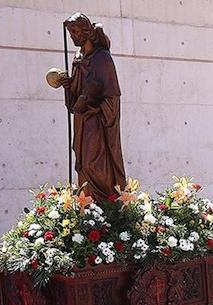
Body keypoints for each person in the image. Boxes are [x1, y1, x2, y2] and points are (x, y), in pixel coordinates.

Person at [60, 13, 125, 200]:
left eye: (74, 31)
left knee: (94, 164)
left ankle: (104, 205)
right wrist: (69, 85)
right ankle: (87, 208)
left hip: (98, 124)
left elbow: (113, 97)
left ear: (86, 31)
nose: (72, 36)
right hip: (82, 122)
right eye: (70, 32)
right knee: (82, 163)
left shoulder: (102, 58)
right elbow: (73, 102)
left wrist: (96, 108)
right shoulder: (78, 58)